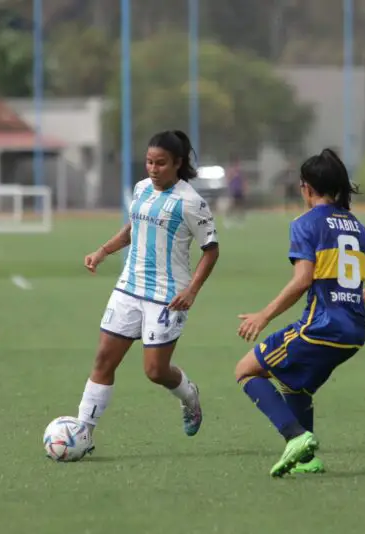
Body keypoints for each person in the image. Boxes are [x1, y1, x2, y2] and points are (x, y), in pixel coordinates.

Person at [234, 148, 365, 478]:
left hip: (321, 326)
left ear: (306, 187)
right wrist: (359, 295)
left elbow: (302, 280)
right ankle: (307, 461)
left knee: (246, 370)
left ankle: (295, 436)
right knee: (296, 387)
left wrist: (263, 315)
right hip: (354, 333)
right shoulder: (357, 227)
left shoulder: (305, 224)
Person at [77, 130, 220, 452]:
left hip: (167, 296)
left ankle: (189, 396)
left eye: (161, 163)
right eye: (149, 162)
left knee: (155, 371)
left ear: (177, 164)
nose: (153, 169)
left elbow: (211, 250)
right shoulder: (141, 189)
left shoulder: (191, 202)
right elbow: (134, 227)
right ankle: (83, 432)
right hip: (128, 289)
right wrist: (102, 251)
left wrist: (192, 291)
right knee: (103, 360)